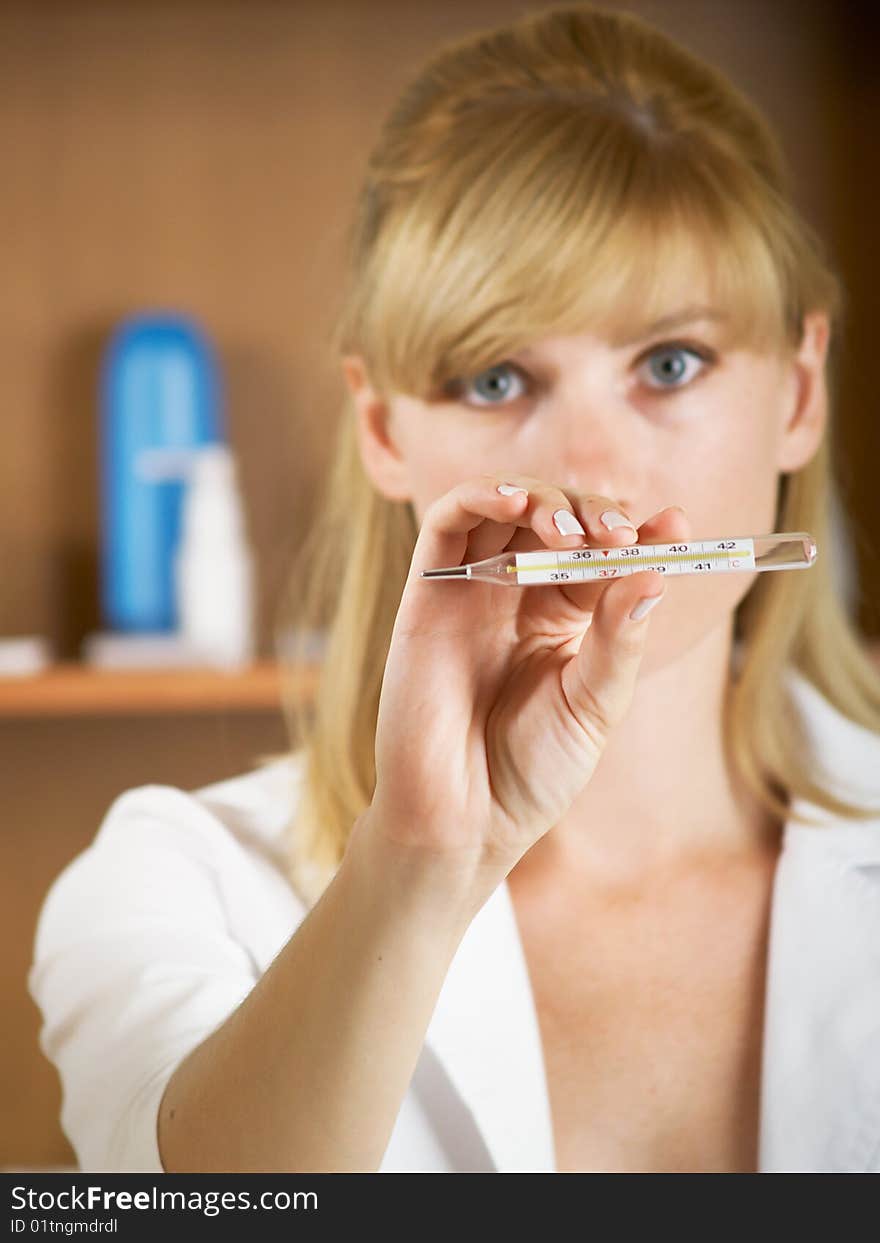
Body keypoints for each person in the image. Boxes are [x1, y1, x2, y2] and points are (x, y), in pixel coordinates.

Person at [29, 1, 880, 1174]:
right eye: (495, 377)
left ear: (796, 393)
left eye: (668, 364)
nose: (592, 468)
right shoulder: (173, 883)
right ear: (381, 430)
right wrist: (421, 860)